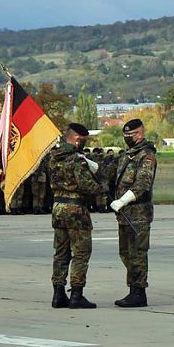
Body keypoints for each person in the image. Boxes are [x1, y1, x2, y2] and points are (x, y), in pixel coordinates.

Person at [48, 123, 103, 309]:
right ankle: (77, 294)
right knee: (80, 253)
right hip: (76, 210)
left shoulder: (53, 158)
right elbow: (87, 185)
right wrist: (101, 187)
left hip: (58, 208)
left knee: (61, 253)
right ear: (77, 139)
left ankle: (58, 293)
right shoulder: (77, 160)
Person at [110, 118, 157, 308]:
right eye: (125, 135)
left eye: (130, 135)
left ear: (139, 134)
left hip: (138, 213)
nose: (127, 138)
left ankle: (138, 292)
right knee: (125, 253)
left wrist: (122, 200)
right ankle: (133, 288)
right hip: (124, 214)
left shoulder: (146, 156)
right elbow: (112, 174)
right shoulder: (128, 155)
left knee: (137, 253)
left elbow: (142, 184)